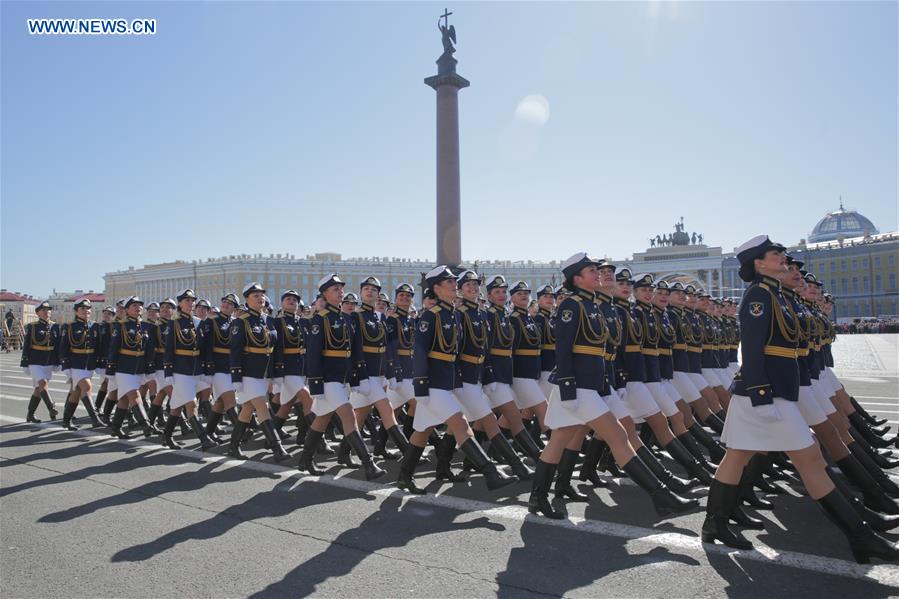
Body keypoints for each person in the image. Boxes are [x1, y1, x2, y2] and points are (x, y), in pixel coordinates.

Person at [701, 235, 898, 564]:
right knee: (809, 459)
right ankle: (862, 537)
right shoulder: (759, 296)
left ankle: (714, 524)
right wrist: (762, 396)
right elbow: (751, 349)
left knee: (736, 458)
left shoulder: (777, 294)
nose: (783, 257)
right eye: (776, 253)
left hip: (774, 392)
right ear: (759, 263)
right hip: (763, 394)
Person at [529, 254, 697, 519]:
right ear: (577, 278)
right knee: (618, 436)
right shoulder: (572, 305)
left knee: (558, 440)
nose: (598, 274)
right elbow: (563, 350)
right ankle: (662, 496)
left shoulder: (593, 305)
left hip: (593, 385)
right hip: (578, 387)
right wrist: (569, 388)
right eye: (592, 270)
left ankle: (538, 497)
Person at [395, 266, 516, 494]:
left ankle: (404, 476)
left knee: (421, 430)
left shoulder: (453, 314)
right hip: (432, 384)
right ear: (437, 288)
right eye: (449, 282)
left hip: (447, 381)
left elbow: (457, 352)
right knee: (460, 423)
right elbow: (419, 351)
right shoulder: (430, 316)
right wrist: (421, 385)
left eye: (454, 282)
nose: (454, 285)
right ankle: (490, 472)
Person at [298, 274, 385, 479]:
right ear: (325, 294)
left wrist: (358, 378)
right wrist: (316, 385)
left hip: (342, 378)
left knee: (322, 419)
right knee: (348, 415)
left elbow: (355, 353)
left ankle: (305, 459)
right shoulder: (320, 319)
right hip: (328, 379)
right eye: (335, 289)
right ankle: (369, 464)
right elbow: (313, 354)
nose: (340, 292)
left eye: (341, 288)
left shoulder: (346, 318)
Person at [226, 283, 291, 462]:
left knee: (247, 409)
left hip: (264, 373)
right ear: (246, 299)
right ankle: (277, 448)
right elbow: (235, 350)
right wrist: (236, 376)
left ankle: (233, 446)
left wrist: (276, 372)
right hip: (248, 372)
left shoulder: (269, 320)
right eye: (255, 295)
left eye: (262, 294)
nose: (260, 297)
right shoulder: (241, 321)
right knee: (263, 407)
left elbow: (275, 348)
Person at [349, 277, 410, 463]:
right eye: (366, 288)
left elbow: (386, 349)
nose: (370, 292)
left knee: (359, 415)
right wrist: (359, 376)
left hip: (379, 373)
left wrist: (389, 374)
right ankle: (409, 453)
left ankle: (344, 452)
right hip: (365, 374)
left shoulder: (379, 318)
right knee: (387, 409)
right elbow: (353, 349)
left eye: (374, 290)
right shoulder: (355, 316)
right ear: (360, 293)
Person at [162, 289, 217, 451]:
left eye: (192, 300)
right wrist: (168, 371)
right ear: (180, 303)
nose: (191, 303)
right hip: (181, 370)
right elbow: (169, 349)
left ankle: (167, 436)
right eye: (187, 300)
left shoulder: (199, 322)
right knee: (191, 404)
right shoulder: (174, 323)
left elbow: (206, 348)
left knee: (177, 406)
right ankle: (204, 439)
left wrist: (207, 369)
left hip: (197, 370)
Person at [104, 297, 158, 439]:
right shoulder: (120, 326)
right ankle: (145, 424)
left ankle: (116, 427)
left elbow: (149, 350)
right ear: (127, 310)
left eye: (140, 305)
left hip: (139, 368)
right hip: (124, 368)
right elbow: (113, 348)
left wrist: (149, 368)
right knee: (135, 394)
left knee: (124, 399)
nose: (138, 307)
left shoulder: (147, 327)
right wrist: (110, 369)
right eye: (134, 305)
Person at [57, 298, 102, 429]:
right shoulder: (69, 326)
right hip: (75, 363)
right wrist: (65, 365)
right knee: (87, 387)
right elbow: (63, 347)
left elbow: (98, 346)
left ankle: (66, 421)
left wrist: (99, 363)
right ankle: (95, 419)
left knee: (76, 391)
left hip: (89, 363)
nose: (85, 311)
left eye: (88, 308)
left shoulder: (94, 326)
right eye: (82, 309)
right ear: (76, 311)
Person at [20, 300, 60, 423]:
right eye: (43, 310)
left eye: (48, 310)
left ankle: (30, 415)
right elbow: (27, 345)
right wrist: (25, 363)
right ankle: (52, 408)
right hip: (35, 361)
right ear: (38, 313)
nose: (47, 312)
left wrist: (58, 361)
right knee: (42, 383)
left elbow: (57, 346)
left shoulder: (55, 326)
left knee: (38, 389)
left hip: (48, 361)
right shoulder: (33, 326)